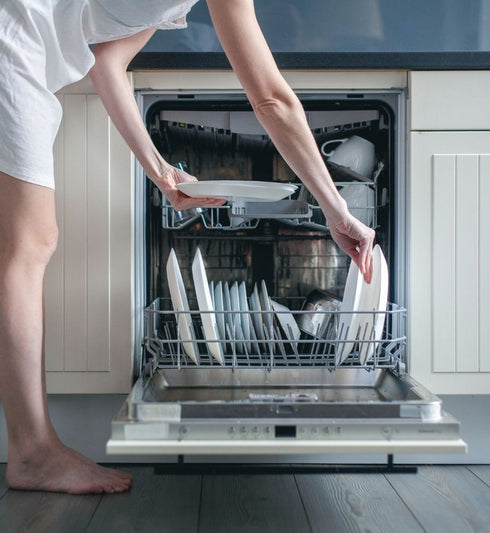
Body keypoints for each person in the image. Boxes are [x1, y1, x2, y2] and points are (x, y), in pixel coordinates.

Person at [0, 0, 375, 494]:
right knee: (29, 244)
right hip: (12, 37)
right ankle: (32, 452)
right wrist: (334, 209)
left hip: (27, 51)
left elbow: (108, 65)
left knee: (28, 244)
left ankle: (33, 450)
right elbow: (271, 101)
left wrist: (160, 171)